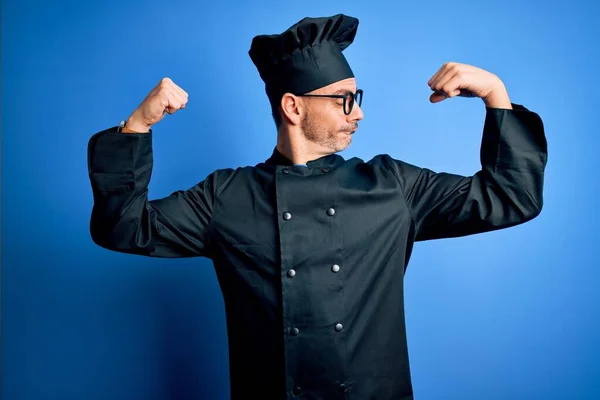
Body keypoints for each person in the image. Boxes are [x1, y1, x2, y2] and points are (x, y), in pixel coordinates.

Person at [87, 13, 547, 400]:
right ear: (293, 106)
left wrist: (495, 93)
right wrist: (137, 126)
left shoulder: (393, 186)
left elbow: (511, 197)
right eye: (345, 99)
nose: (358, 112)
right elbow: (125, 227)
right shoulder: (225, 197)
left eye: (357, 99)